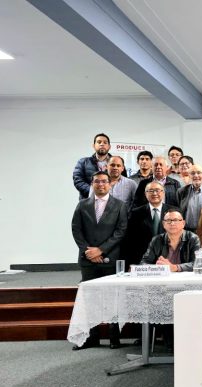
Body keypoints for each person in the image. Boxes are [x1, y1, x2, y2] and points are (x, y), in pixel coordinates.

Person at [70, 171, 128, 350]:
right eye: (97, 181)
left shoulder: (120, 205)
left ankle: (114, 338)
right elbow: (76, 229)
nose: (100, 184)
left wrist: (101, 250)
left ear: (110, 184)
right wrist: (88, 251)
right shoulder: (82, 205)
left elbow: (121, 231)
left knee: (112, 298)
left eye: (104, 181)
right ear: (92, 184)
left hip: (110, 257)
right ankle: (91, 338)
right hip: (88, 259)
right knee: (90, 299)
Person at [73, 133, 113, 200]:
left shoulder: (117, 163)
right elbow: (78, 181)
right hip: (88, 202)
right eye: (99, 142)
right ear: (94, 146)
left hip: (111, 202)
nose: (102, 144)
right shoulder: (83, 162)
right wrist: (94, 191)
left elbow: (122, 181)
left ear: (109, 146)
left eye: (105, 142)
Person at [176, 164, 202, 232]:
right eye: (192, 173)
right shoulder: (181, 192)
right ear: (189, 176)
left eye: (199, 172)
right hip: (187, 232)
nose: (196, 175)